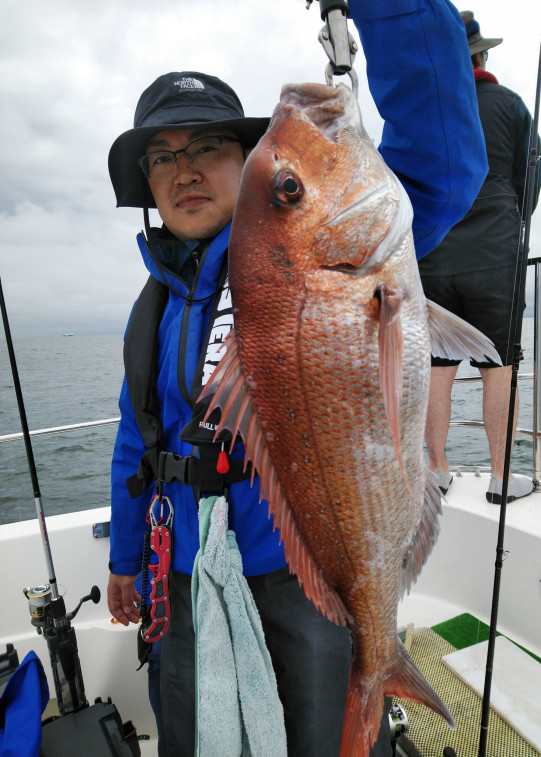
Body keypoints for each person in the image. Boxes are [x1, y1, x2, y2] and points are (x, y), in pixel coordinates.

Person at [106, 2, 487, 755]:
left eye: (208, 147)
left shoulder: (318, 252)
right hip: (181, 578)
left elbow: (445, 163)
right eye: (161, 155)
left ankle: (381, 670)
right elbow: (135, 440)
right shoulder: (149, 312)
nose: (183, 168)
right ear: (146, 183)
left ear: (244, 161)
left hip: (302, 569)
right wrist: (125, 561)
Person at [419, 10, 541, 504]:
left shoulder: (427, 111)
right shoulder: (509, 104)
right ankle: (499, 478)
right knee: (501, 368)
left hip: (432, 257)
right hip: (495, 255)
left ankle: (438, 471)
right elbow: (529, 172)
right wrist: (514, 219)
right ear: (481, 56)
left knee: (436, 369)